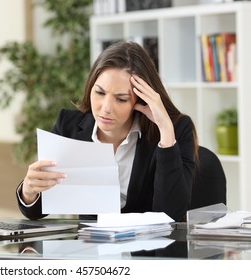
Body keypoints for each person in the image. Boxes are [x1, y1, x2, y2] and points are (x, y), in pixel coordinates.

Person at [16, 41, 198, 222]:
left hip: (148, 247)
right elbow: (37, 210)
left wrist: (166, 130)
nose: (106, 108)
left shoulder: (175, 129)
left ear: (141, 100)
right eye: (100, 93)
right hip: (90, 246)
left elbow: (171, 214)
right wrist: (29, 191)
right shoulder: (69, 125)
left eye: (121, 99)